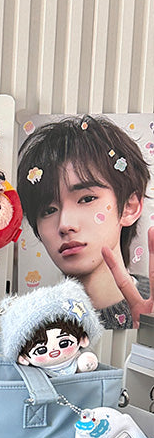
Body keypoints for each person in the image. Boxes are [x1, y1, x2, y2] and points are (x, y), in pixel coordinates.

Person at [17, 114, 150, 332]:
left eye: (87, 199)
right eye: (48, 210)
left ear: (129, 207)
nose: (65, 224)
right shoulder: (31, 327)